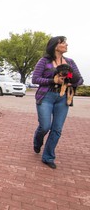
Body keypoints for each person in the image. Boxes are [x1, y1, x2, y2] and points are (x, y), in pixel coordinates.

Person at [32, 36, 84, 169]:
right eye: (63, 43)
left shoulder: (70, 62)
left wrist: (69, 81)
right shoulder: (44, 61)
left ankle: (48, 157)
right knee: (45, 126)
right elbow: (35, 79)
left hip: (63, 98)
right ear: (56, 45)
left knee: (57, 129)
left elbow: (80, 80)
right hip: (46, 97)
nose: (67, 44)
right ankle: (37, 142)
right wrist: (53, 81)